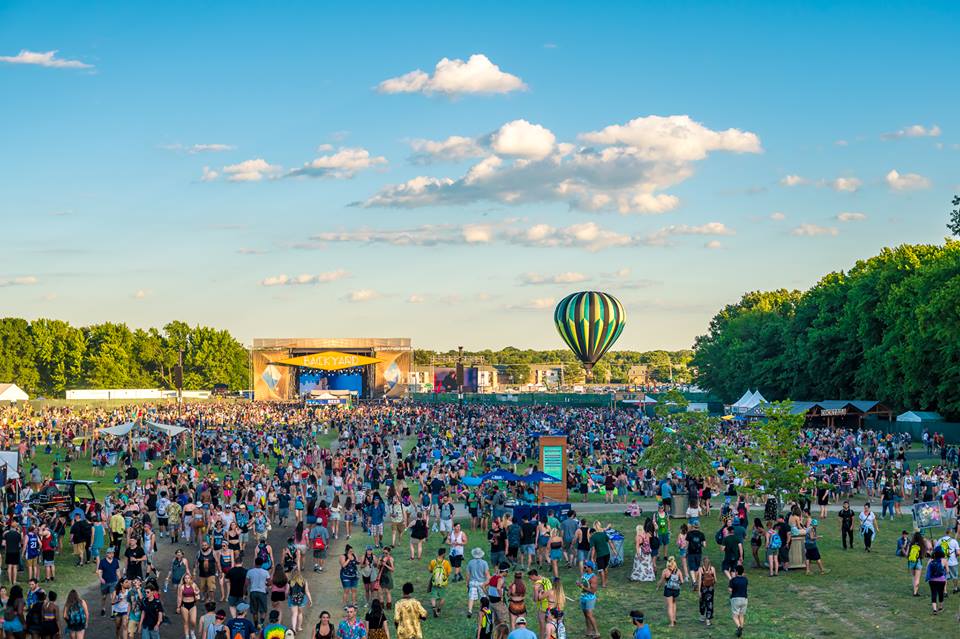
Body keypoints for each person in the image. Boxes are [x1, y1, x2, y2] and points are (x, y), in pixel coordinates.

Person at [655, 556, 682, 627]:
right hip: (676, 590)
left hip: (668, 590)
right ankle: (674, 618)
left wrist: (658, 587)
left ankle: (672, 623)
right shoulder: (678, 571)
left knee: (670, 605)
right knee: (674, 603)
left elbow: (661, 581)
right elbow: (682, 581)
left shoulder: (665, 571)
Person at [97, 547, 121, 617]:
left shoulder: (116, 561)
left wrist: (120, 579)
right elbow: (100, 571)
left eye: (113, 553)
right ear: (107, 554)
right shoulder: (102, 562)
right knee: (104, 597)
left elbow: (117, 570)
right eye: (110, 553)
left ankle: (113, 612)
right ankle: (103, 608)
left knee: (113, 597)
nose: (112, 555)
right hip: (105, 583)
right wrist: (101, 578)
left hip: (114, 581)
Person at [466, 548, 490, 618]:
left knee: (471, 597)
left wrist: (467, 584)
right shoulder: (484, 563)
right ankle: (482, 609)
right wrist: (487, 582)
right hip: (481, 583)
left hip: (472, 582)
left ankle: (470, 610)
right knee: (483, 596)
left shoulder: (470, 562)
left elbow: (468, 575)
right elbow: (487, 574)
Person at [427, 548, 451, 618]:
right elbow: (448, 573)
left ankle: (434, 607)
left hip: (434, 582)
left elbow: (430, 570)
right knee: (442, 598)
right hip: (442, 583)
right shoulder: (446, 563)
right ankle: (439, 609)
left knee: (433, 597)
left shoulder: (433, 561)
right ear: (443, 554)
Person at [578, 562, 598, 639]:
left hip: (590, 599)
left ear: (590, 568)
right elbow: (583, 584)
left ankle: (597, 632)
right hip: (583, 597)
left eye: (585, 567)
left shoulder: (593, 578)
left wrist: (582, 587)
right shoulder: (584, 575)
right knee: (586, 616)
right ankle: (589, 631)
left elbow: (593, 591)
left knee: (589, 615)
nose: (584, 568)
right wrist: (579, 584)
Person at [176, 573, 200, 639]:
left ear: (190, 579)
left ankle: (192, 631)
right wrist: (178, 607)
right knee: (186, 621)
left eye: (188, 578)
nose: (187, 579)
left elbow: (198, 590)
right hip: (184, 605)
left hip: (192, 605)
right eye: (185, 578)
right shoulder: (182, 587)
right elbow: (179, 597)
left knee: (193, 621)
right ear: (183, 579)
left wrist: (197, 593)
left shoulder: (193, 585)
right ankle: (187, 636)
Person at [695, 555, 716, 627]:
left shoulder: (701, 569)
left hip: (703, 589)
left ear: (703, 562)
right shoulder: (712, 569)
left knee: (702, 603)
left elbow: (700, 580)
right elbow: (715, 580)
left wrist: (698, 590)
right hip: (710, 589)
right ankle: (708, 620)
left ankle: (702, 616)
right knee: (709, 603)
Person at [926, 547, 948, 615]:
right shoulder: (944, 560)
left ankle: (934, 609)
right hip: (941, 580)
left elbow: (927, 569)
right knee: (940, 593)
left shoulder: (930, 560)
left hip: (932, 580)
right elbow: (947, 571)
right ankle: (940, 607)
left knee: (933, 593)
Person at [728, 565, 748, 638]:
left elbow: (730, 590)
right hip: (744, 599)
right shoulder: (745, 579)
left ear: (736, 572)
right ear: (743, 572)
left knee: (735, 616)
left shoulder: (733, 580)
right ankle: (741, 629)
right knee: (741, 615)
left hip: (735, 599)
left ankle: (739, 627)